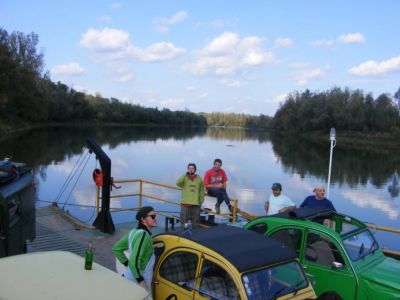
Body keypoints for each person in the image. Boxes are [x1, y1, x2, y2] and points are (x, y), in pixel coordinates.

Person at [112, 206, 156, 291]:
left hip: (128, 276)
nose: (155, 219)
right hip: (137, 281)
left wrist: (126, 264)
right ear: (143, 219)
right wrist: (141, 282)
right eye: (152, 217)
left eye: (155, 216)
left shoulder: (133, 232)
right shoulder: (144, 236)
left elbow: (116, 248)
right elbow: (134, 261)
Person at [176, 163, 205, 228]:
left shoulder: (199, 178)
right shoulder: (184, 177)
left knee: (195, 222)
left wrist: (201, 201)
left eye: (192, 168)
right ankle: (184, 234)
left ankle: (195, 234)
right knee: (184, 221)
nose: (191, 170)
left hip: (195, 204)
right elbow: (178, 183)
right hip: (185, 203)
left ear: (195, 170)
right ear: (187, 169)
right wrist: (184, 175)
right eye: (189, 168)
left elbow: (201, 191)